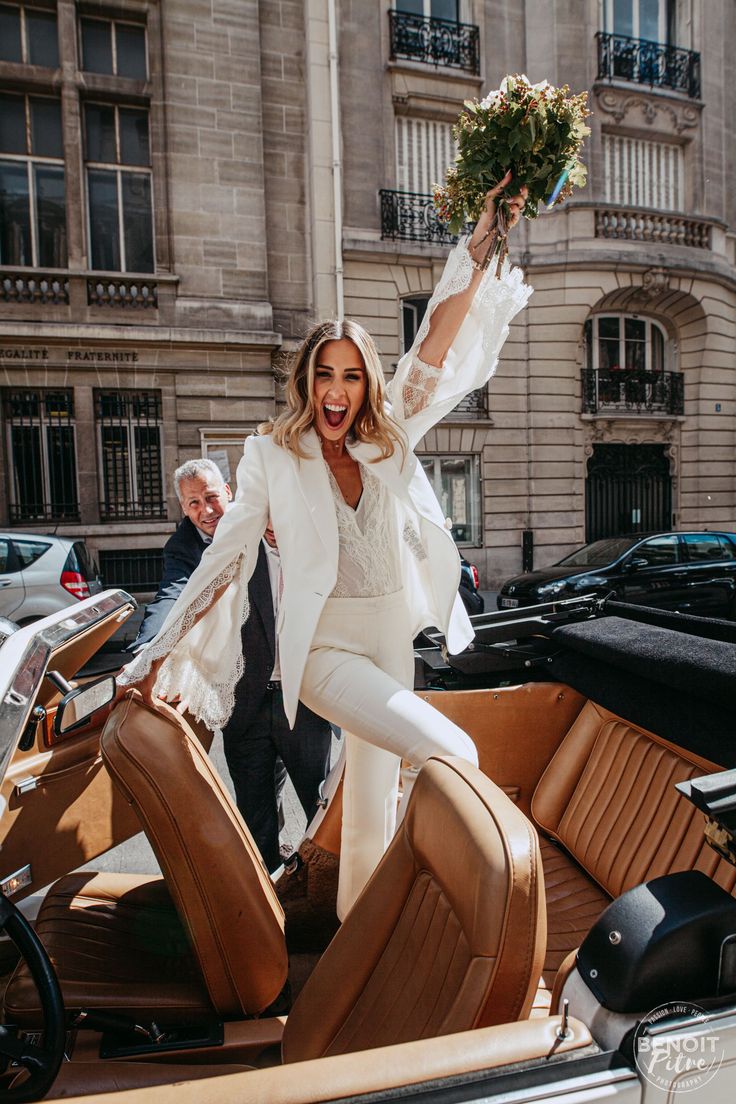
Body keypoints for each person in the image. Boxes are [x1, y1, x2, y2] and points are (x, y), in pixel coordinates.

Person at [118, 176, 531, 918]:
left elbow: (436, 335)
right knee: (450, 754)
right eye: (323, 375)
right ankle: (453, 911)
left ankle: (359, 933)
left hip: (389, 639)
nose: (336, 391)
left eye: (350, 375)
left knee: (370, 811)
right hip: (324, 655)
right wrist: (149, 662)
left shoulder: (389, 434)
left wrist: (486, 234)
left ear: (364, 382)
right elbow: (221, 562)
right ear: (306, 382)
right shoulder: (269, 457)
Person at [132, 458, 332, 873]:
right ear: (182, 509)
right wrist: (147, 652)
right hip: (244, 706)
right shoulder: (184, 547)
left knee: (323, 809)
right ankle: (273, 908)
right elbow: (172, 597)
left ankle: (331, 899)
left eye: (210, 497)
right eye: (192, 504)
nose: (204, 510)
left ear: (228, 491)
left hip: (303, 697)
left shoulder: (267, 522)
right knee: (255, 819)